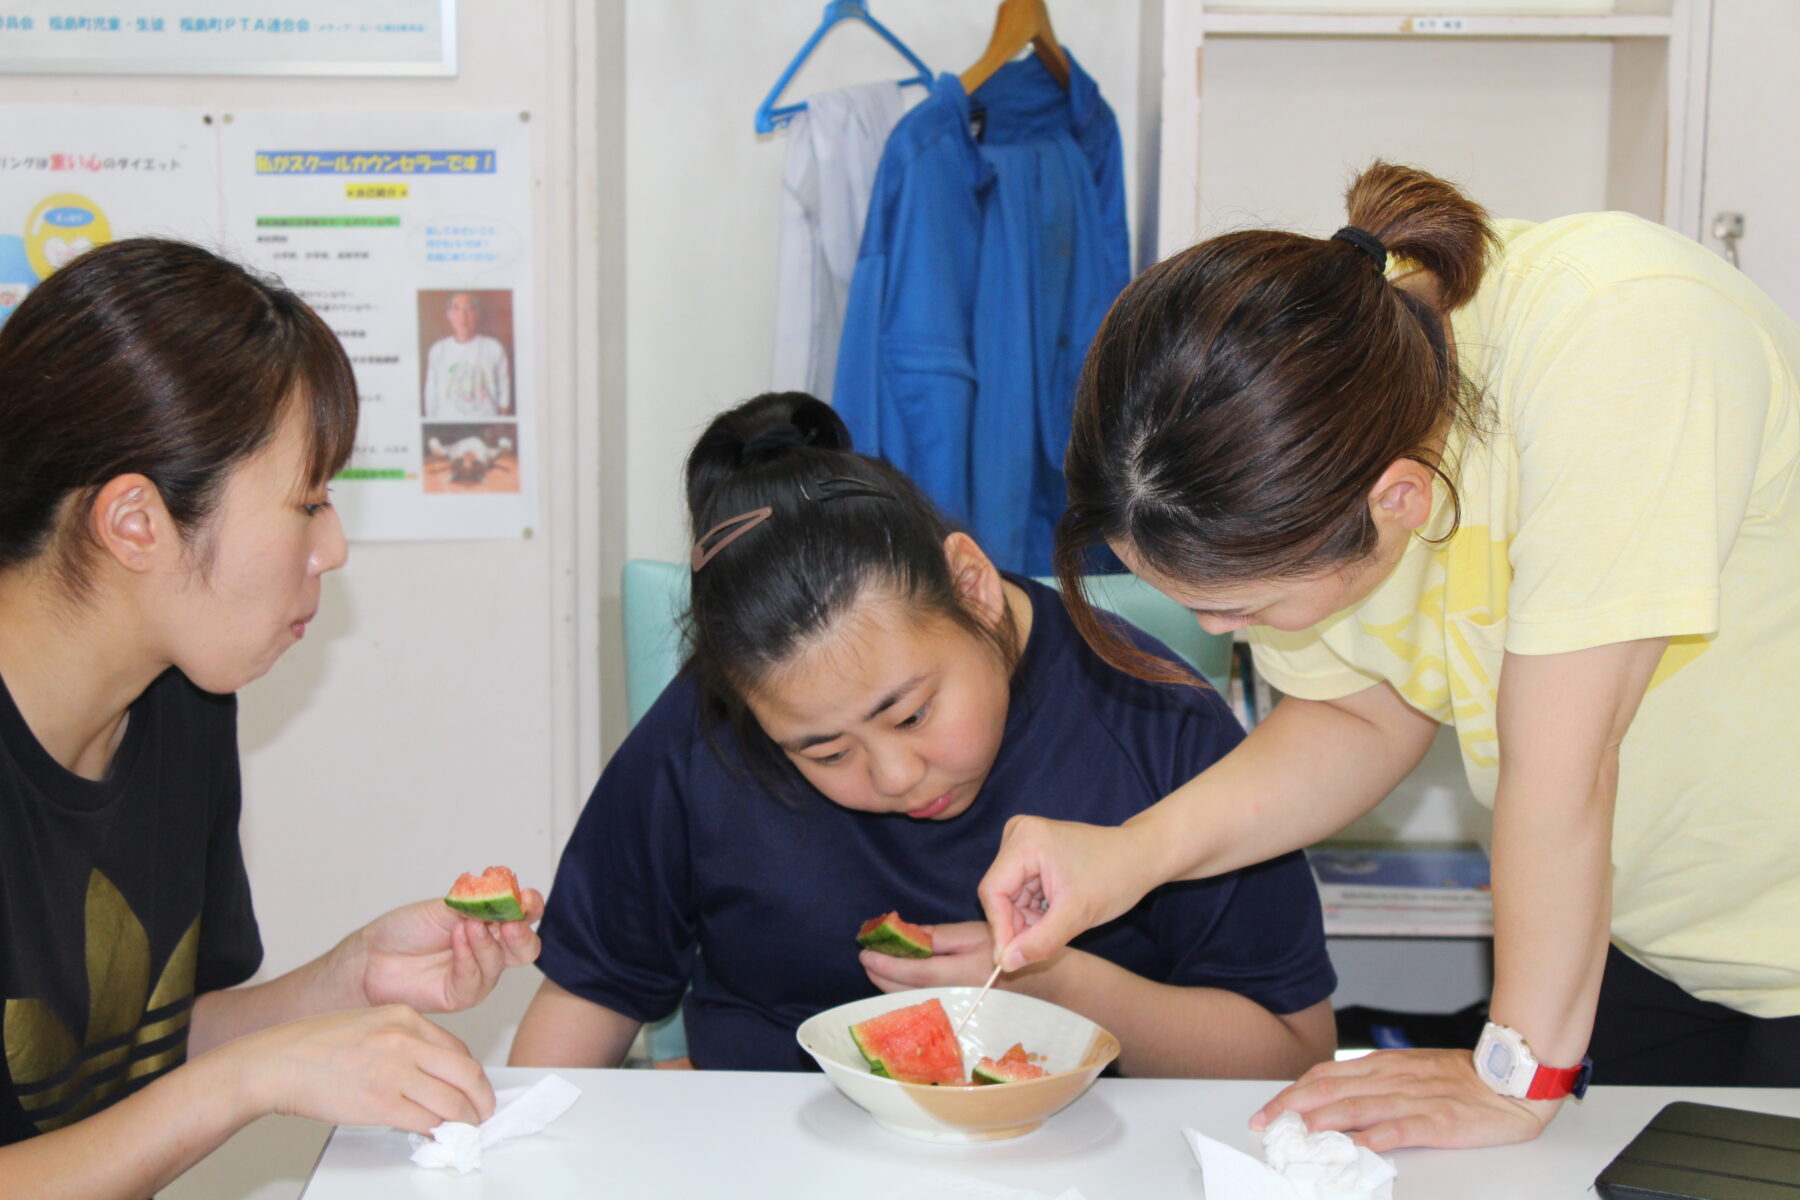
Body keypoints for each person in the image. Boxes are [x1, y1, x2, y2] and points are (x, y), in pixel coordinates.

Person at [977, 162, 1800, 1150]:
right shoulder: (1338, 424)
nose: (1230, 634)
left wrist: (1515, 1072)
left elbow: (1563, 767)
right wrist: (1127, 855)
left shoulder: (1622, 336)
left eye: (1244, 607)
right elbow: (1358, 711)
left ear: (1399, 500)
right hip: (1658, 938)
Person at [508, 392, 1337, 1077]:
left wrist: (1057, 986)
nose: (897, 774)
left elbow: (1291, 1052)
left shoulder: (1151, 716)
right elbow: (592, 992)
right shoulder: (707, 728)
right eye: (823, 752)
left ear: (972, 586)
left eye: (910, 714)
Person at [0, 239, 544, 1197]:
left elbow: (136, 1050)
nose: (331, 548)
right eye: (309, 503)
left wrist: (346, 983)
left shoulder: (181, 701)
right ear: (136, 522)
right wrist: (258, 1077)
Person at [422, 291, 512, 419]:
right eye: (456, 309)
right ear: (449, 315)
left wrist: (501, 421)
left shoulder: (493, 348)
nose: (463, 316)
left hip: (486, 421)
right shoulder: (438, 350)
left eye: (469, 309)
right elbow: (430, 392)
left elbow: (504, 388)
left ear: (477, 314)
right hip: (447, 422)